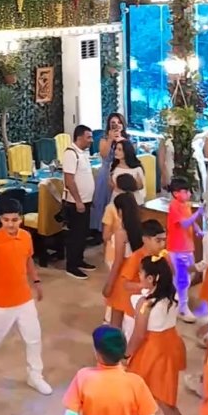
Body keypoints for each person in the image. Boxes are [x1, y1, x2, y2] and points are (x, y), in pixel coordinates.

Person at [0, 197, 51, 395]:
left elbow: (28, 260)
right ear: (0, 219)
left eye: (14, 220)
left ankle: (35, 375)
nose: (10, 224)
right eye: (6, 220)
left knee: (34, 338)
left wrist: (36, 281)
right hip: (2, 302)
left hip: (24, 298)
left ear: (21, 219)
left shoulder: (26, 237)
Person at [127, 255, 193, 415]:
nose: (139, 275)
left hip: (152, 352)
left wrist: (125, 355)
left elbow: (138, 335)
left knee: (138, 393)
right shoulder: (171, 297)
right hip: (170, 346)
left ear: (151, 278)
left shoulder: (145, 304)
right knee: (164, 400)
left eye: (141, 273)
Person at [102, 192, 144, 329]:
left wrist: (109, 284)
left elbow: (118, 261)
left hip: (122, 277)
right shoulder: (140, 230)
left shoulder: (121, 234)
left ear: (120, 211)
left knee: (116, 321)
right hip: (135, 276)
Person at [167, 177, 204, 323]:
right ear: (176, 193)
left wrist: (198, 230)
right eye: (185, 191)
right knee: (183, 279)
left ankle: (176, 301)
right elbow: (184, 223)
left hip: (187, 247)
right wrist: (198, 213)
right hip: (177, 249)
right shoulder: (174, 206)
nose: (189, 193)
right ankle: (182, 308)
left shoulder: (185, 205)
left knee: (188, 276)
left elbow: (190, 221)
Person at [62, 125, 96, 280]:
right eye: (88, 137)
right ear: (79, 137)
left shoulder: (83, 153)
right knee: (75, 235)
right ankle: (72, 265)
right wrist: (78, 201)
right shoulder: (71, 153)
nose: (91, 140)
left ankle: (79, 259)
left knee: (82, 233)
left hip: (86, 201)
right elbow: (69, 180)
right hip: (76, 203)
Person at [90, 112, 128, 232]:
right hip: (106, 172)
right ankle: (102, 230)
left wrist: (122, 141)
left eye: (119, 122)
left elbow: (131, 156)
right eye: (113, 123)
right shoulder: (104, 139)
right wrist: (111, 139)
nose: (116, 125)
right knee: (103, 202)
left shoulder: (127, 139)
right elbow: (103, 154)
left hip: (122, 172)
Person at [110, 140, 146, 206]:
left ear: (127, 151)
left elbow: (141, 186)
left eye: (119, 149)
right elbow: (111, 184)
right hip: (116, 200)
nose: (116, 151)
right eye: (115, 149)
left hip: (133, 202)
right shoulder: (114, 167)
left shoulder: (137, 168)